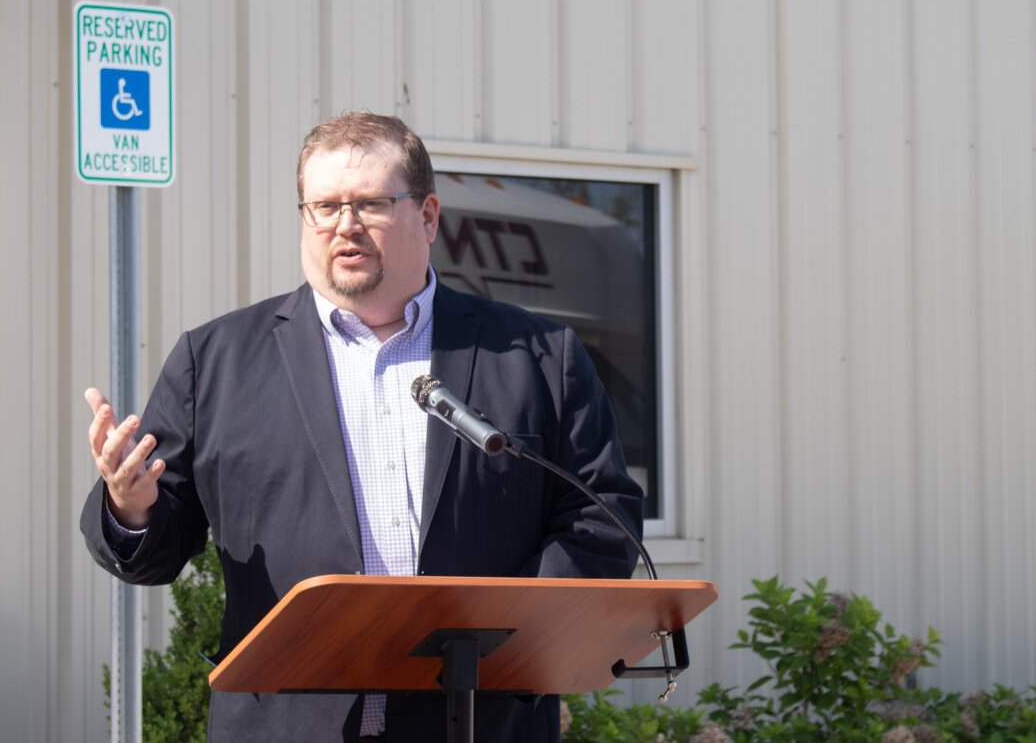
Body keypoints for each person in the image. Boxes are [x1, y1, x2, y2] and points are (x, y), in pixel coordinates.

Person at [80, 111, 643, 741]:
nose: (344, 226)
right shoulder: (215, 362)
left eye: (371, 204)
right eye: (323, 206)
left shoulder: (538, 354)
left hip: (484, 717)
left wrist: (509, 634)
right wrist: (132, 507)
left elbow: (602, 517)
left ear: (428, 216)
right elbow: (156, 548)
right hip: (290, 725)